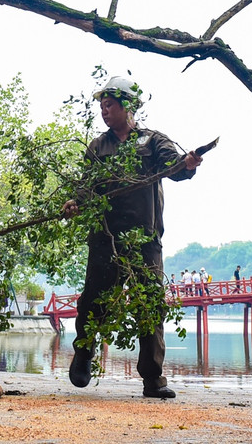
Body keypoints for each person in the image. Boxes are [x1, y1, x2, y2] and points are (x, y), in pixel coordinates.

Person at [61, 75, 202, 400]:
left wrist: (188, 164)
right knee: (93, 301)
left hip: (145, 241)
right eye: (101, 106)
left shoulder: (153, 141)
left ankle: (153, 379)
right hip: (104, 238)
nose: (104, 111)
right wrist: (75, 202)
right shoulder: (99, 146)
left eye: (109, 105)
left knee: (150, 305)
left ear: (127, 106)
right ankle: (83, 353)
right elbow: (86, 184)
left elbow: (175, 166)